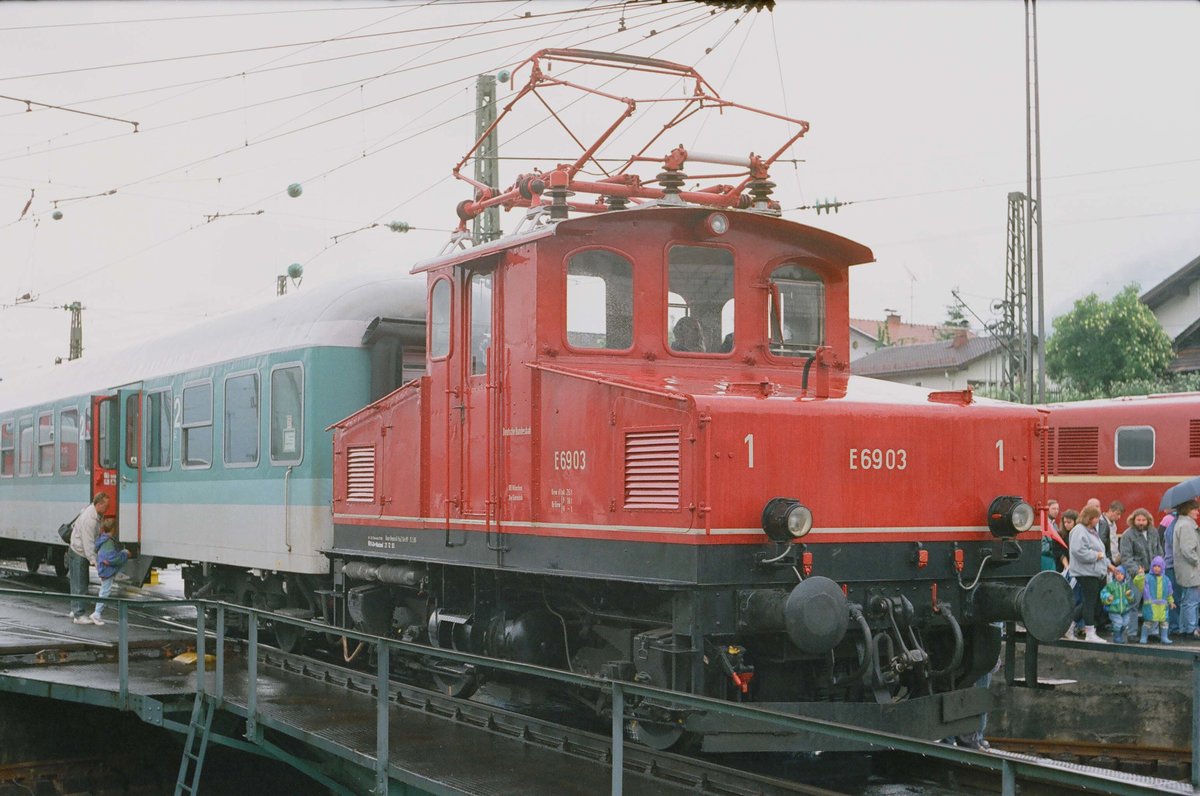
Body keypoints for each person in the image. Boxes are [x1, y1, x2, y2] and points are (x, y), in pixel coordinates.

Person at [1068, 506, 1116, 643]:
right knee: (1090, 602)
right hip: (1086, 572)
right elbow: (1078, 551)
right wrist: (1097, 555)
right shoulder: (1079, 531)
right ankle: (1090, 632)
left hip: (1095, 572)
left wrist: (1109, 566)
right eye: (1096, 518)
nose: (1098, 520)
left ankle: (1069, 626)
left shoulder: (1090, 531)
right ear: (1090, 518)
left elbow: (1099, 550)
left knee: (1089, 601)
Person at [1119, 507, 1162, 641]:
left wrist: (1160, 567)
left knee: (1154, 602)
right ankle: (1132, 633)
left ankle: (1152, 631)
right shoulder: (1127, 535)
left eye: (1143, 520)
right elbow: (1126, 557)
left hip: (1153, 573)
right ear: (1133, 520)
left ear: (1148, 521)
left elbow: (1159, 550)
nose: (1141, 522)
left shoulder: (1153, 532)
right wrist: (1136, 570)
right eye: (1138, 520)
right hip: (1137, 575)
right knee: (1134, 604)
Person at [67, 493, 109, 624]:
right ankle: (79, 615)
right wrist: (94, 561)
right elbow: (88, 542)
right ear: (99, 504)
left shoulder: (93, 513)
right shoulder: (90, 519)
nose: (107, 509)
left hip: (75, 549)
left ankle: (75, 610)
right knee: (81, 584)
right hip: (80, 552)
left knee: (75, 583)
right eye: (106, 506)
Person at [91, 517, 128, 626]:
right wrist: (124, 554)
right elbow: (112, 559)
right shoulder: (109, 542)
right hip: (106, 570)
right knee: (105, 591)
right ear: (113, 529)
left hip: (103, 568)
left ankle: (97, 613)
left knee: (104, 590)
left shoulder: (103, 539)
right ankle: (96, 613)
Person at [1171, 500, 1200, 640]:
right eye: (1195, 509)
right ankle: (1190, 629)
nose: (1197, 512)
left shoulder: (1180, 523)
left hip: (1184, 569)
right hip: (1191, 570)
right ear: (1188, 510)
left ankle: (1184, 628)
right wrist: (1197, 561)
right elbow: (1188, 550)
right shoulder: (1187, 526)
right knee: (1192, 601)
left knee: (1185, 600)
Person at [1141, 556, 1175, 644]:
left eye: (1159, 566)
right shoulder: (1147, 578)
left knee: (1164, 622)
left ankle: (1164, 637)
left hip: (1163, 606)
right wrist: (1140, 575)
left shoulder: (1166, 580)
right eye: (1154, 566)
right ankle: (1144, 637)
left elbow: (1169, 593)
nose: (1156, 568)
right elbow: (1138, 583)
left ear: (1162, 567)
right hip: (1151, 605)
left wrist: (1171, 602)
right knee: (1148, 621)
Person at [1100, 566, 1134, 643]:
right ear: (1114, 575)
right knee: (1118, 623)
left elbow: (1131, 599)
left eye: (1121, 574)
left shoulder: (1126, 586)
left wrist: (1129, 595)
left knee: (1125, 623)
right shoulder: (1111, 585)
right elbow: (1103, 592)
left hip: (1124, 610)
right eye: (1117, 574)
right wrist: (1108, 597)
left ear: (1124, 575)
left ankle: (1119, 634)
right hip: (1114, 610)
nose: (1119, 576)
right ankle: (1116, 637)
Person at [1161, 509, 1181, 635]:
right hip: (1174, 565)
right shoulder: (1175, 524)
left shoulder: (1174, 523)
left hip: (1171, 564)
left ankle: (1174, 625)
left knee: (1174, 597)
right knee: (1174, 597)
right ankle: (1174, 626)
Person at [1041, 501, 1069, 573]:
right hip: (1046, 561)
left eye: (1057, 509)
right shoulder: (1043, 524)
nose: (1056, 511)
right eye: (1053, 508)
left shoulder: (1055, 525)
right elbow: (1042, 547)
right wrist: (1055, 548)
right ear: (1047, 509)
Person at [1098, 501, 1124, 565]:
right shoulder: (1101, 523)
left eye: (1120, 514)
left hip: (1114, 558)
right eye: (1117, 514)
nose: (1119, 517)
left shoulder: (1113, 524)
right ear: (1110, 510)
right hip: (1107, 559)